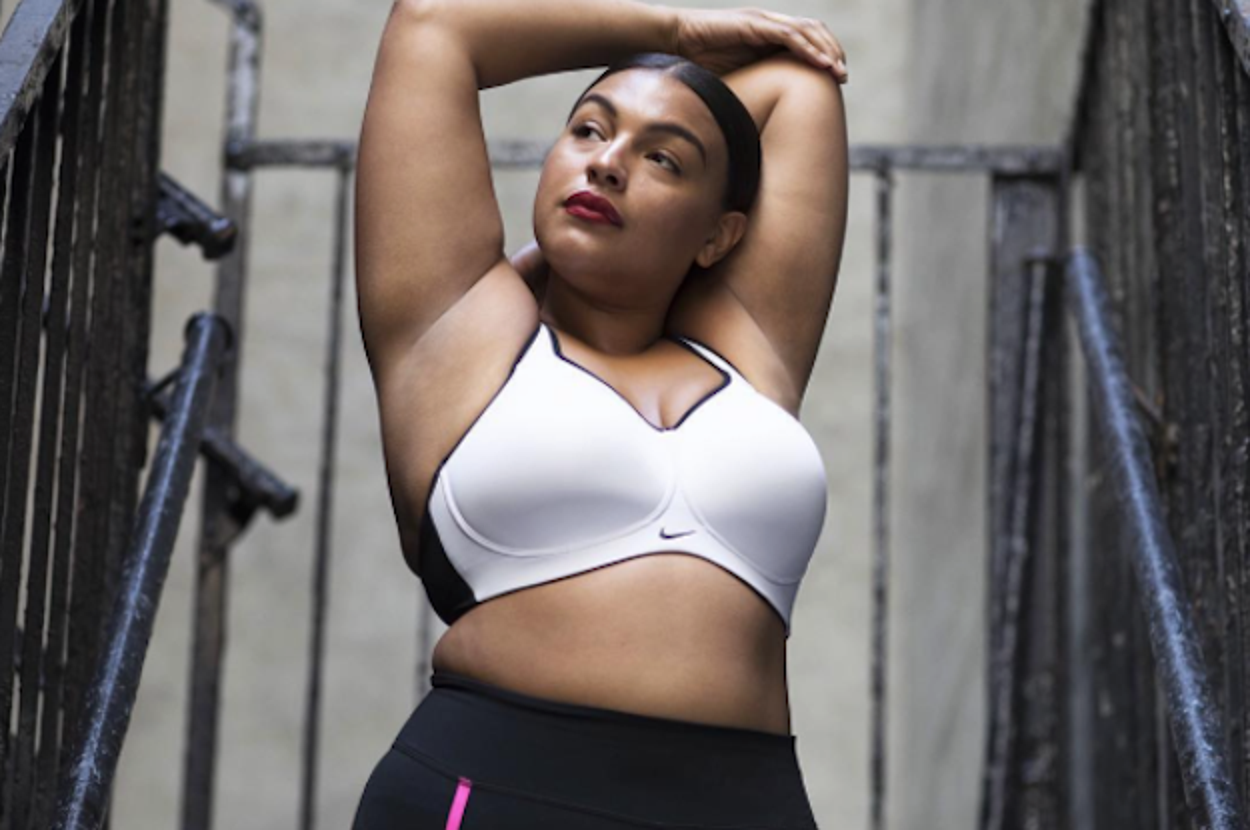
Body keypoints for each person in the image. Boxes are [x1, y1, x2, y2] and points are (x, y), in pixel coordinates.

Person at [351, 0, 849, 826]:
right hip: (500, 788)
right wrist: (674, 35)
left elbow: (799, 82)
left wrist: (677, 91)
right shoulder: (460, 331)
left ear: (719, 236)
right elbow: (434, 24)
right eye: (588, 130)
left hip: (748, 801)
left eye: (663, 159)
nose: (609, 163)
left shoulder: (746, 350)